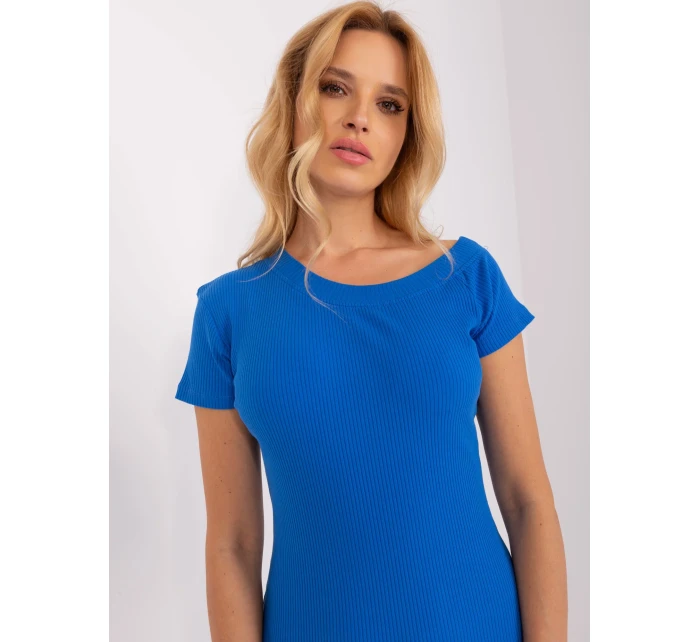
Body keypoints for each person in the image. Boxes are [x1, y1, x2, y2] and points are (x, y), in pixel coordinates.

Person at [175, 2, 567, 640]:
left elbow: (527, 501)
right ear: (294, 102)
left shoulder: (465, 277)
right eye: (335, 88)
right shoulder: (228, 311)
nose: (359, 117)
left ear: (407, 134)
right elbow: (233, 545)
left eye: (390, 104)